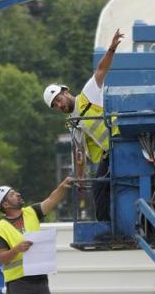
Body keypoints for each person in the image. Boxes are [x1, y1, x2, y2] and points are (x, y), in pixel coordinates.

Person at [43, 28, 124, 221]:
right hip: (109, 154)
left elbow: (101, 70)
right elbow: (78, 152)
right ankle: (106, 227)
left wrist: (112, 48)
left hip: (122, 142)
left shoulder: (88, 94)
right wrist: (80, 178)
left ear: (66, 91)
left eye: (58, 99)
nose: (59, 105)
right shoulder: (74, 123)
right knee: (99, 188)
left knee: (111, 185)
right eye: (55, 106)